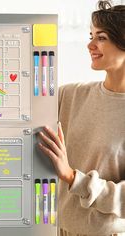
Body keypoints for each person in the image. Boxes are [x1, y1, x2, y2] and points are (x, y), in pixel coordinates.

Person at [38, 0, 125, 235]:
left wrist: (72, 176)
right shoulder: (69, 94)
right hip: (58, 229)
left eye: (102, 37)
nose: (90, 44)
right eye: (91, 35)